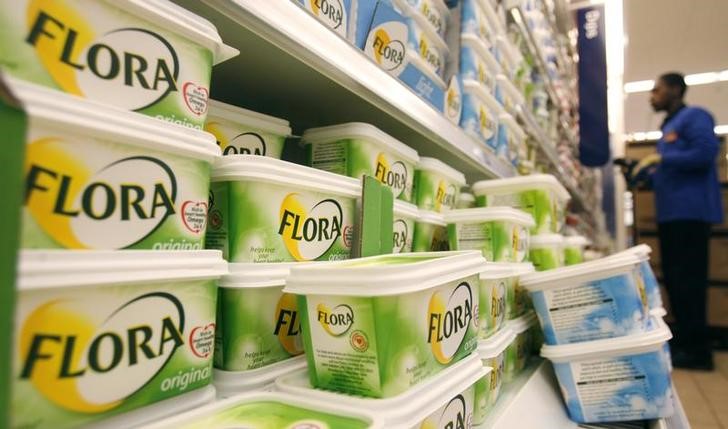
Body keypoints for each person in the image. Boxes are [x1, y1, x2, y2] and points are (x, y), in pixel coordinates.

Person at [634, 72, 723, 370]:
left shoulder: (695, 117)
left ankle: (699, 351)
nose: (652, 96)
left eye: (657, 90)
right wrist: (644, 173)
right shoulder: (669, 127)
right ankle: (684, 340)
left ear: (675, 89)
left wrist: (662, 159)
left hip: (691, 212)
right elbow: (670, 169)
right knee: (675, 279)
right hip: (671, 214)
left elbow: (705, 152)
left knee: (689, 281)